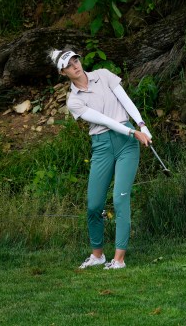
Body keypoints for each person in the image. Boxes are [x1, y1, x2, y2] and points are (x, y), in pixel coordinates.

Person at [49, 47, 152, 270]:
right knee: (94, 205)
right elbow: (103, 120)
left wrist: (142, 125)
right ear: (63, 72)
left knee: (119, 199)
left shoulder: (104, 75)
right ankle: (98, 255)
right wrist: (133, 132)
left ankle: (119, 259)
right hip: (103, 145)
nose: (75, 66)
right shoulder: (73, 101)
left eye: (75, 60)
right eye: (69, 65)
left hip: (126, 145)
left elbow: (126, 101)